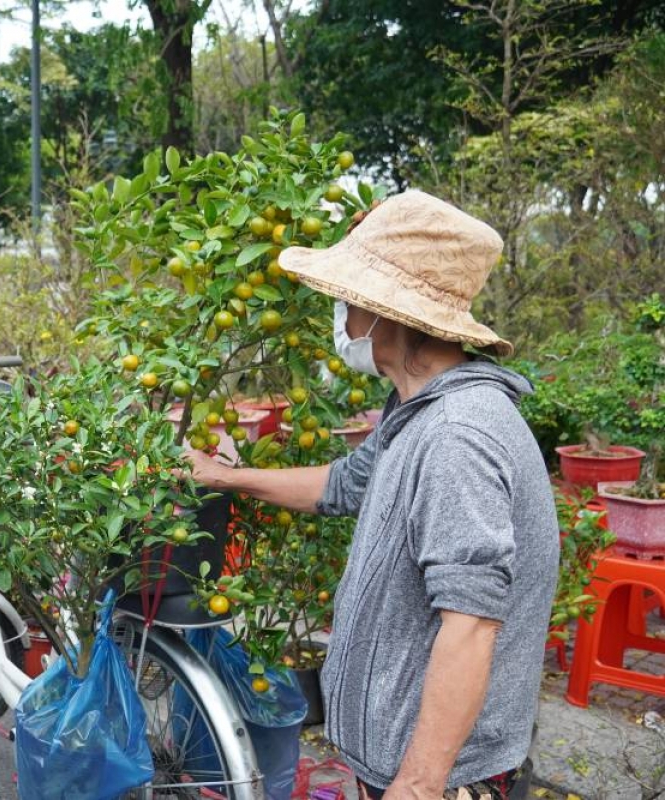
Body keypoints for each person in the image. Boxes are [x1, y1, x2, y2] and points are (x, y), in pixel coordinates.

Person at [186, 191, 558, 800]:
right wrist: (224, 476)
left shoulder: (458, 434)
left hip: (442, 778)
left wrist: (417, 785)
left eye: (349, 298)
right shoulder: (417, 413)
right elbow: (343, 484)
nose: (342, 313)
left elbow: (470, 624)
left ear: (387, 313)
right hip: (401, 762)